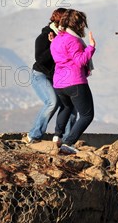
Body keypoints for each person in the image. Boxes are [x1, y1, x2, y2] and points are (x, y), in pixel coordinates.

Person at [26, 8, 76, 143]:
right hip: (41, 75)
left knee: (70, 104)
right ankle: (34, 135)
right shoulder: (44, 37)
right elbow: (40, 59)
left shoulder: (66, 37)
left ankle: (66, 140)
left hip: (58, 77)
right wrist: (53, 45)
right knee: (52, 102)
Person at [50, 9, 96, 154]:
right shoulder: (74, 40)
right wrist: (91, 47)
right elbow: (80, 61)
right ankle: (68, 143)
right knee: (87, 115)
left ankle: (57, 136)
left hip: (59, 83)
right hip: (75, 82)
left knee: (66, 107)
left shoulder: (56, 39)